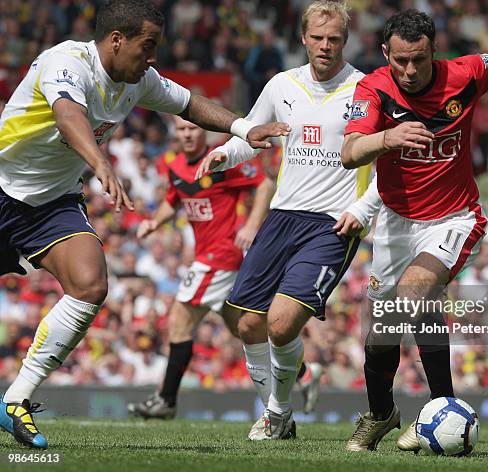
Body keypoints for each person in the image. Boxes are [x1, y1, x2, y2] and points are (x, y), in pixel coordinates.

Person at [0, 0, 288, 450]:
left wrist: (242, 128)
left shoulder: (138, 81)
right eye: (147, 46)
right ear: (117, 40)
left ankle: (16, 399)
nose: (152, 57)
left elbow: (190, 103)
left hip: (51, 204)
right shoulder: (66, 61)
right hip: (2, 187)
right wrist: (100, 165)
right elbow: (68, 115)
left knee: (91, 283)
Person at [341, 9, 488, 452]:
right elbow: (349, 152)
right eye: (400, 60)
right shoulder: (374, 88)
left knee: (414, 294)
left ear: (434, 52)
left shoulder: (464, 75)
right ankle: (381, 414)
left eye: (418, 60)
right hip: (396, 225)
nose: (408, 70)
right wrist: (388, 138)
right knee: (380, 336)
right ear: (386, 53)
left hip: (453, 217)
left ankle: (441, 408)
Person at [197, 0, 382, 440]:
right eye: (317, 37)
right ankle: (280, 415)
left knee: (280, 322)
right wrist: (225, 153)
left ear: (346, 40)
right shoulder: (282, 84)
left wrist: (362, 209)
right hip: (281, 216)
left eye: (334, 38)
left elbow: (390, 165)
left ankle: (277, 415)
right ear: (302, 37)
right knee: (247, 322)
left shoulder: (367, 89)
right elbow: (253, 136)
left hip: (331, 223)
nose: (325, 46)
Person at [126, 116, 274, 419]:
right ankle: (298, 373)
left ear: (204, 130)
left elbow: (264, 184)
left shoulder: (222, 159)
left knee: (179, 318)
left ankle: (166, 400)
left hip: (220, 256)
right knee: (243, 327)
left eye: (192, 128)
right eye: (182, 129)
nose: (188, 134)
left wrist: (252, 224)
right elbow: (173, 200)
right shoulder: (177, 166)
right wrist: (154, 223)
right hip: (206, 256)